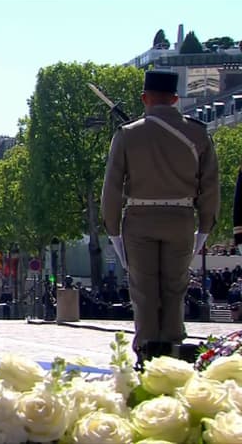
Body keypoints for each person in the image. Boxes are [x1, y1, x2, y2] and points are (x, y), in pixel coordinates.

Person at [101, 69, 219, 365]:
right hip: (181, 218)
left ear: (144, 98)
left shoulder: (128, 134)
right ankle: (172, 348)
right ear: (176, 99)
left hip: (139, 217)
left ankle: (148, 349)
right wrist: (204, 228)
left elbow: (113, 187)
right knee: (175, 287)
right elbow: (209, 186)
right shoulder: (198, 133)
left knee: (143, 288)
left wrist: (113, 230)